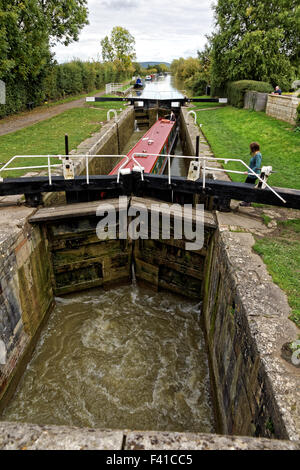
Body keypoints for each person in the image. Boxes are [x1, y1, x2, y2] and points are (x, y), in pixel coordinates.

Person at [239, 142, 262, 207]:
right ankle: (247, 201)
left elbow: (257, 166)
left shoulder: (258, 155)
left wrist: (249, 171)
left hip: (253, 174)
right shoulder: (256, 154)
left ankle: (247, 202)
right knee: (248, 187)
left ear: (253, 148)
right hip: (251, 173)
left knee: (247, 187)